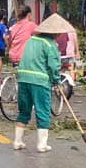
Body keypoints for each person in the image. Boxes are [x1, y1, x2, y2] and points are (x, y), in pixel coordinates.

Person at [14, 15, 64, 153]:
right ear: (55, 33)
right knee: (43, 111)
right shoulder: (50, 45)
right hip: (40, 81)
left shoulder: (31, 40)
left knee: (24, 110)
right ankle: (42, 145)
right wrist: (57, 81)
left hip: (23, 78)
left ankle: (17, 141)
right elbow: (54, 66)